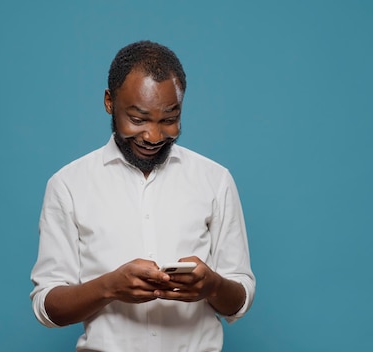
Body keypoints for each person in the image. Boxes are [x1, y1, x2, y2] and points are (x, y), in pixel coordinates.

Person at [30, 40, 255, 352]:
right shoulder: (68, 185)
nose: (153, 136)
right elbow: (47, 307)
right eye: (137, 119)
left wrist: (212, 285)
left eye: (168, 119)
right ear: (110, 102)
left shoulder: (215, 180)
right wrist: (110, 287)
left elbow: (239, 299)